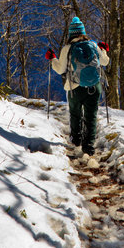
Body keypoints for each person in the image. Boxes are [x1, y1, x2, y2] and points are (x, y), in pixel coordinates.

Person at [45, 17, 109, 155]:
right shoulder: (93, 45)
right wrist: (103, 50)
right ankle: (89, 146)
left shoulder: (67, 48)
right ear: (83, 32)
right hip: (94, 86)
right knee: (91, 116)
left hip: (75, 88)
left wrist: (52, 59)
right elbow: (104, 62)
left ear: (71, 34)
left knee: (75, 114)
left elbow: (61, 70)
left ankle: (76, 139)